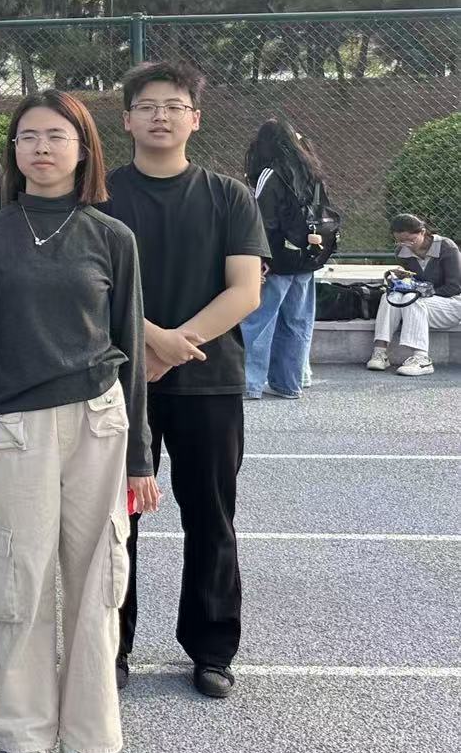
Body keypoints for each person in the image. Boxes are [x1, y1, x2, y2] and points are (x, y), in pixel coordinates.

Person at [0, 89, 159, 753]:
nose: (40, 148)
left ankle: (89, 744)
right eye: (27, 137)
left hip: (99, 425)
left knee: (99, 585)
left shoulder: (112, 236)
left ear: (82, 149)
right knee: (20, 583)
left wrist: (139, 457)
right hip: (15, 429)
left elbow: (130, 350)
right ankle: (25, 739)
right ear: (13, 151)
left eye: (55, 136)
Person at [105, 61, 267, 701]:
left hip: (209, 382)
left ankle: (212, 649)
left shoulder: (229, 196)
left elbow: (245, 291)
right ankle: (110, 648)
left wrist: (173, 349)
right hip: (118, 380)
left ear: (195, 119)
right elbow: (94, 287)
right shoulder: (101, 195)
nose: (161, 117)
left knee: (211, 517)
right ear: (126, 119)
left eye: (174, 106)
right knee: (116, 521)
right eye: (147, 106)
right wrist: (152, 340)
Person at [241, 120, 330, 399]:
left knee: (259, 320)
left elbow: (263, 220)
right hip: (308, 255)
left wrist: (259, 256)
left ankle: (249, 383)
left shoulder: (271, 174)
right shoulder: (312, 171)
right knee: (298, 321)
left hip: (278, 258)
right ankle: (290, 383)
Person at [369, 213, 461, 377]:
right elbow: (413, 282)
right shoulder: (401, 252)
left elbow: (454, 287)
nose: (406, 245)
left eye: (410, 240)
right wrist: (399, 279)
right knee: (391, 296)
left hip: (452, 303)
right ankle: (380, 352)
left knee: (412, 299)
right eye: (400, 241)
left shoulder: (447, 247)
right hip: (421, 304)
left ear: (422, 232)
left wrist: (421, 291)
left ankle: (422, 359)